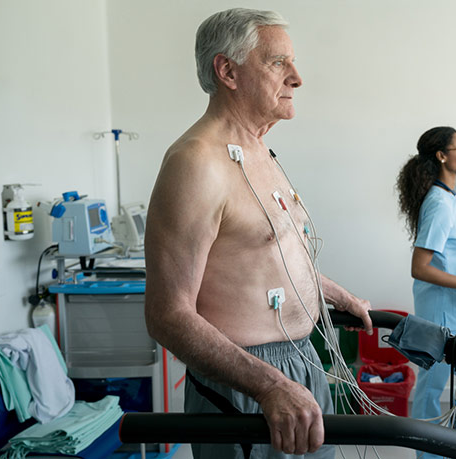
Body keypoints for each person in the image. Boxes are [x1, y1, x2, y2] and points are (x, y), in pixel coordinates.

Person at [144, 8, 373, 458]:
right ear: (227, 71)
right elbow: (167, 314)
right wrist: (269, 385)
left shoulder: (259, 151)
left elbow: (263, 255)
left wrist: (335, 294)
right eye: (277, 63)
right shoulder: (195, 164)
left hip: (301, 361)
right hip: (245, 381)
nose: (297, 78)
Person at [396, 127, 456, 455]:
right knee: (432, 389)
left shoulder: (451, 198)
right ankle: (426, 453)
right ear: (442, 156)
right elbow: (420, 267)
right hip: (441, 309)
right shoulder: (438, 202)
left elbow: (450, 253)